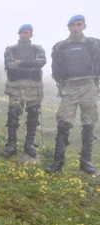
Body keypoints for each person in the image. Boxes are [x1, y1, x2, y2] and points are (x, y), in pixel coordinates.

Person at [45, 15, 100, 174]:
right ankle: (57, 162)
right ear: (68, 27)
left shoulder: (94, 44)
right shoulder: (60, 47)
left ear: (84, 26)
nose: (76, 28)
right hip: (69, 87)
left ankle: (86, 162)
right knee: (63, 122)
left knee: (89, 123)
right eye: (73, 25)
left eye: (79, 24)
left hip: (89, 85)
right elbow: (55, 70)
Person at [2, 24, 46, 158]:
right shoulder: (10, 49)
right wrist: (30, 68)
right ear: (18, 34)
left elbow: (41, 62)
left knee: (33, 115)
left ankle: (29, 145)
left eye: (26, 32)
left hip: (34, 86)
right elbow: (9, 65)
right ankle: (11, 145)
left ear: (31, 34)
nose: (24, 35)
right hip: (15, 86)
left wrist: (19, 62)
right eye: (21, 33)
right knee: (13, 114)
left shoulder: (38, 48)